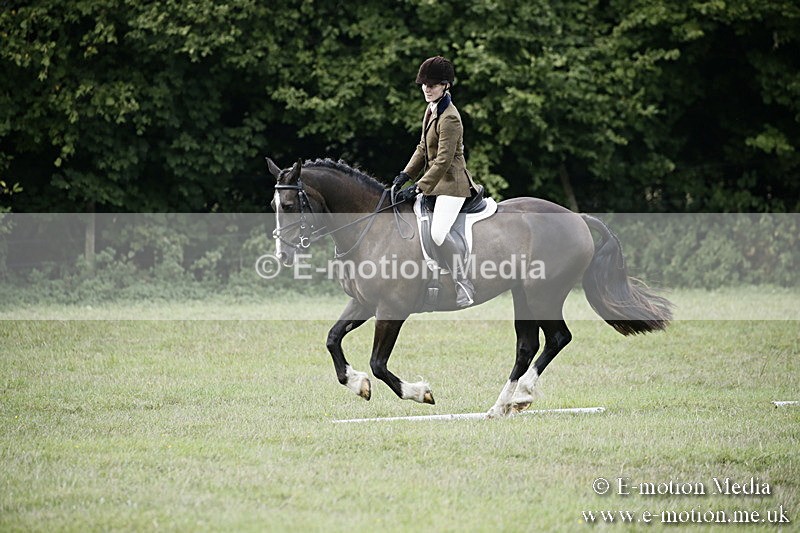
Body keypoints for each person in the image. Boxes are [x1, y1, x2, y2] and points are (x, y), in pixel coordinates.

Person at [394, 56, 479, 308]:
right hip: (434, 183)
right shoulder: (431, 109)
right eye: (424, 84)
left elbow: (442, 160)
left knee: (438, 233)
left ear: (446, 86)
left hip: (452, 185)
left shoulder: (450, 117)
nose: (426, 89)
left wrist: (418, 186)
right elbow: (422, 148)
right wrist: (405, 175)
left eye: (432, 85)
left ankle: (463, 282)